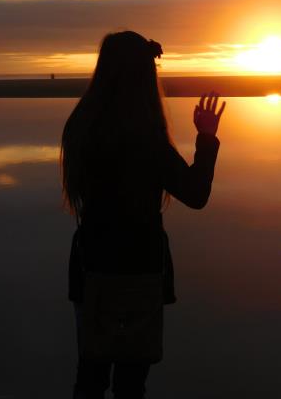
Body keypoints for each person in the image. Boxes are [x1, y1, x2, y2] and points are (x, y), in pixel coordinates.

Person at [60, 31, 225, 398]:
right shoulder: (147, 140)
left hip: (91, 264)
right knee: (131, 383)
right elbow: (196, 194)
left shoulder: (80, 127)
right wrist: (207, 138)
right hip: (139, 269)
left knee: (89, 375)